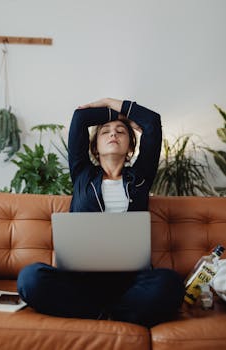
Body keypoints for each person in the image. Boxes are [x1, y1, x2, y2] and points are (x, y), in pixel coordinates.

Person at [17, 98, 184, 327]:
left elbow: (152, 122)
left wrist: (112, 104)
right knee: (30, 278)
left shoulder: (140, 178)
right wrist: (115, 114)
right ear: (95, 147)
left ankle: (107, 313)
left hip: (130, 281)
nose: (113, 134)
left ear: (131, 147)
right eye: (105, 131)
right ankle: (103, 313)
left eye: (121, 131)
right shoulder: (82, 173)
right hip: (81, 280)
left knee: (171, 284)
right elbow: (81, 119)